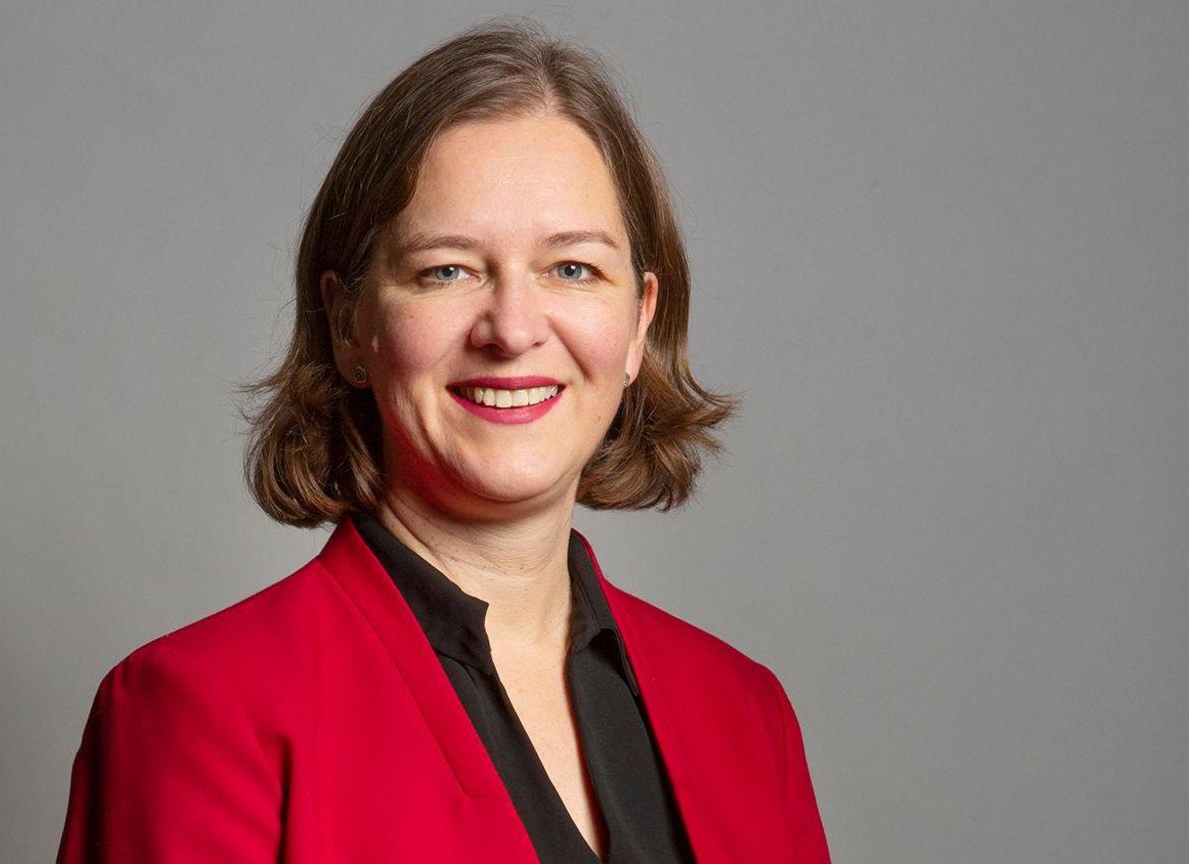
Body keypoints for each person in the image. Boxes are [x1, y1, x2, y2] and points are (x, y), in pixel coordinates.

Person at [56, 18, 831, 864]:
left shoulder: (746, 714)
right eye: (447, 270)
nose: (512, 328)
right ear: (350, 324)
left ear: (639, 321)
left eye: (572, 268)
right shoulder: (199, 710)